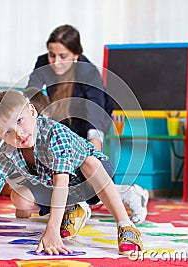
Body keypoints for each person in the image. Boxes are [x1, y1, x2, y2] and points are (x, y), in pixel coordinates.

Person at [0, 90, 143, 256]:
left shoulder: (54, 134)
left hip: (90, 179)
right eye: (7, 132)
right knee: (20, 198)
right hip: (63, 191)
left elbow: (62, 181)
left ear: (32, 111)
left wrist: (51, 230)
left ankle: (125, 225)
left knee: (89, 163)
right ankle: (74, 208)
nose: (19, 134)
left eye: (20, 121)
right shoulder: (8, 150)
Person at [26, 24, 149, 223]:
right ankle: (72, 204)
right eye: (51, 55)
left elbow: (95, 108)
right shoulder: (43, 62)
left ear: (76, 55)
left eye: (63, 56)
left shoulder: (88, 72)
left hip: (89, 120)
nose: (55, 62)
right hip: (63, 119)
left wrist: (95, 139)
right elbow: (32, 92)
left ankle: (131, 194)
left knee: (90, 173)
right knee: (59, 172)